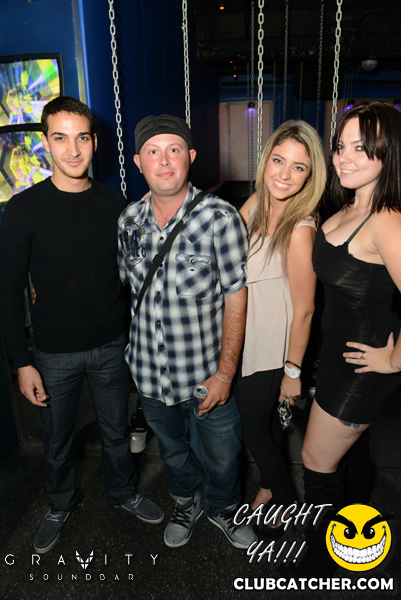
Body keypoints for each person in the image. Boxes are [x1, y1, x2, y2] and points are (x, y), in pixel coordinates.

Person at [0, 96, 163, 554]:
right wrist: (22, 364)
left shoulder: (116, 205)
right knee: (56, 441)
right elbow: (8, 293)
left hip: (111, 345)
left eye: (82, 138)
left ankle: (123, 493)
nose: (72, 150)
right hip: (53, 354)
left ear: (95, 142)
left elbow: (134, 277)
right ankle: (60, 503)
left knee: (117, 434)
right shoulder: (24, 209)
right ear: (46, 143)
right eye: (60, 138)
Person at [118, 114, 256, 549]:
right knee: (173, 451)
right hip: (149, 372)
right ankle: (185, 499)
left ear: (190, 157)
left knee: (223, 454)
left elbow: (236, 296)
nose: (164, 161)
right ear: (139, 162)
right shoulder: (128, 221)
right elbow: (128, 287)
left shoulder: (219, 217)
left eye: (174, 150)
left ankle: (222, 507)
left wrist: (225, 374)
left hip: (205, 374)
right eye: (153, 152)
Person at [297, 101, 401, 576]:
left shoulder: (386, 220)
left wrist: (393, 361)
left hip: (363, 368)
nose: (344, 157)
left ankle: (319, 563)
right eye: (341, 146)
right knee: (351, 451)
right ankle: (355, 529)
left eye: (362, 148)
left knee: (315, 460)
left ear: (388, 152)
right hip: (336, 358)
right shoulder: (348, 207)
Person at [236, 121, 327, 535]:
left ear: (310, 176)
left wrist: (293, 372)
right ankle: (269, 489)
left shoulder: (301, 229)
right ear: (266, 160)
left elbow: (305, 310)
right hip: (246, 333)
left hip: (273, 344)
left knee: (253, 428)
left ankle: (289, 506)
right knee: (269, 426)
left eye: (298, 167)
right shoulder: (258, 201)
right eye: (278, 160)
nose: (285, 175)